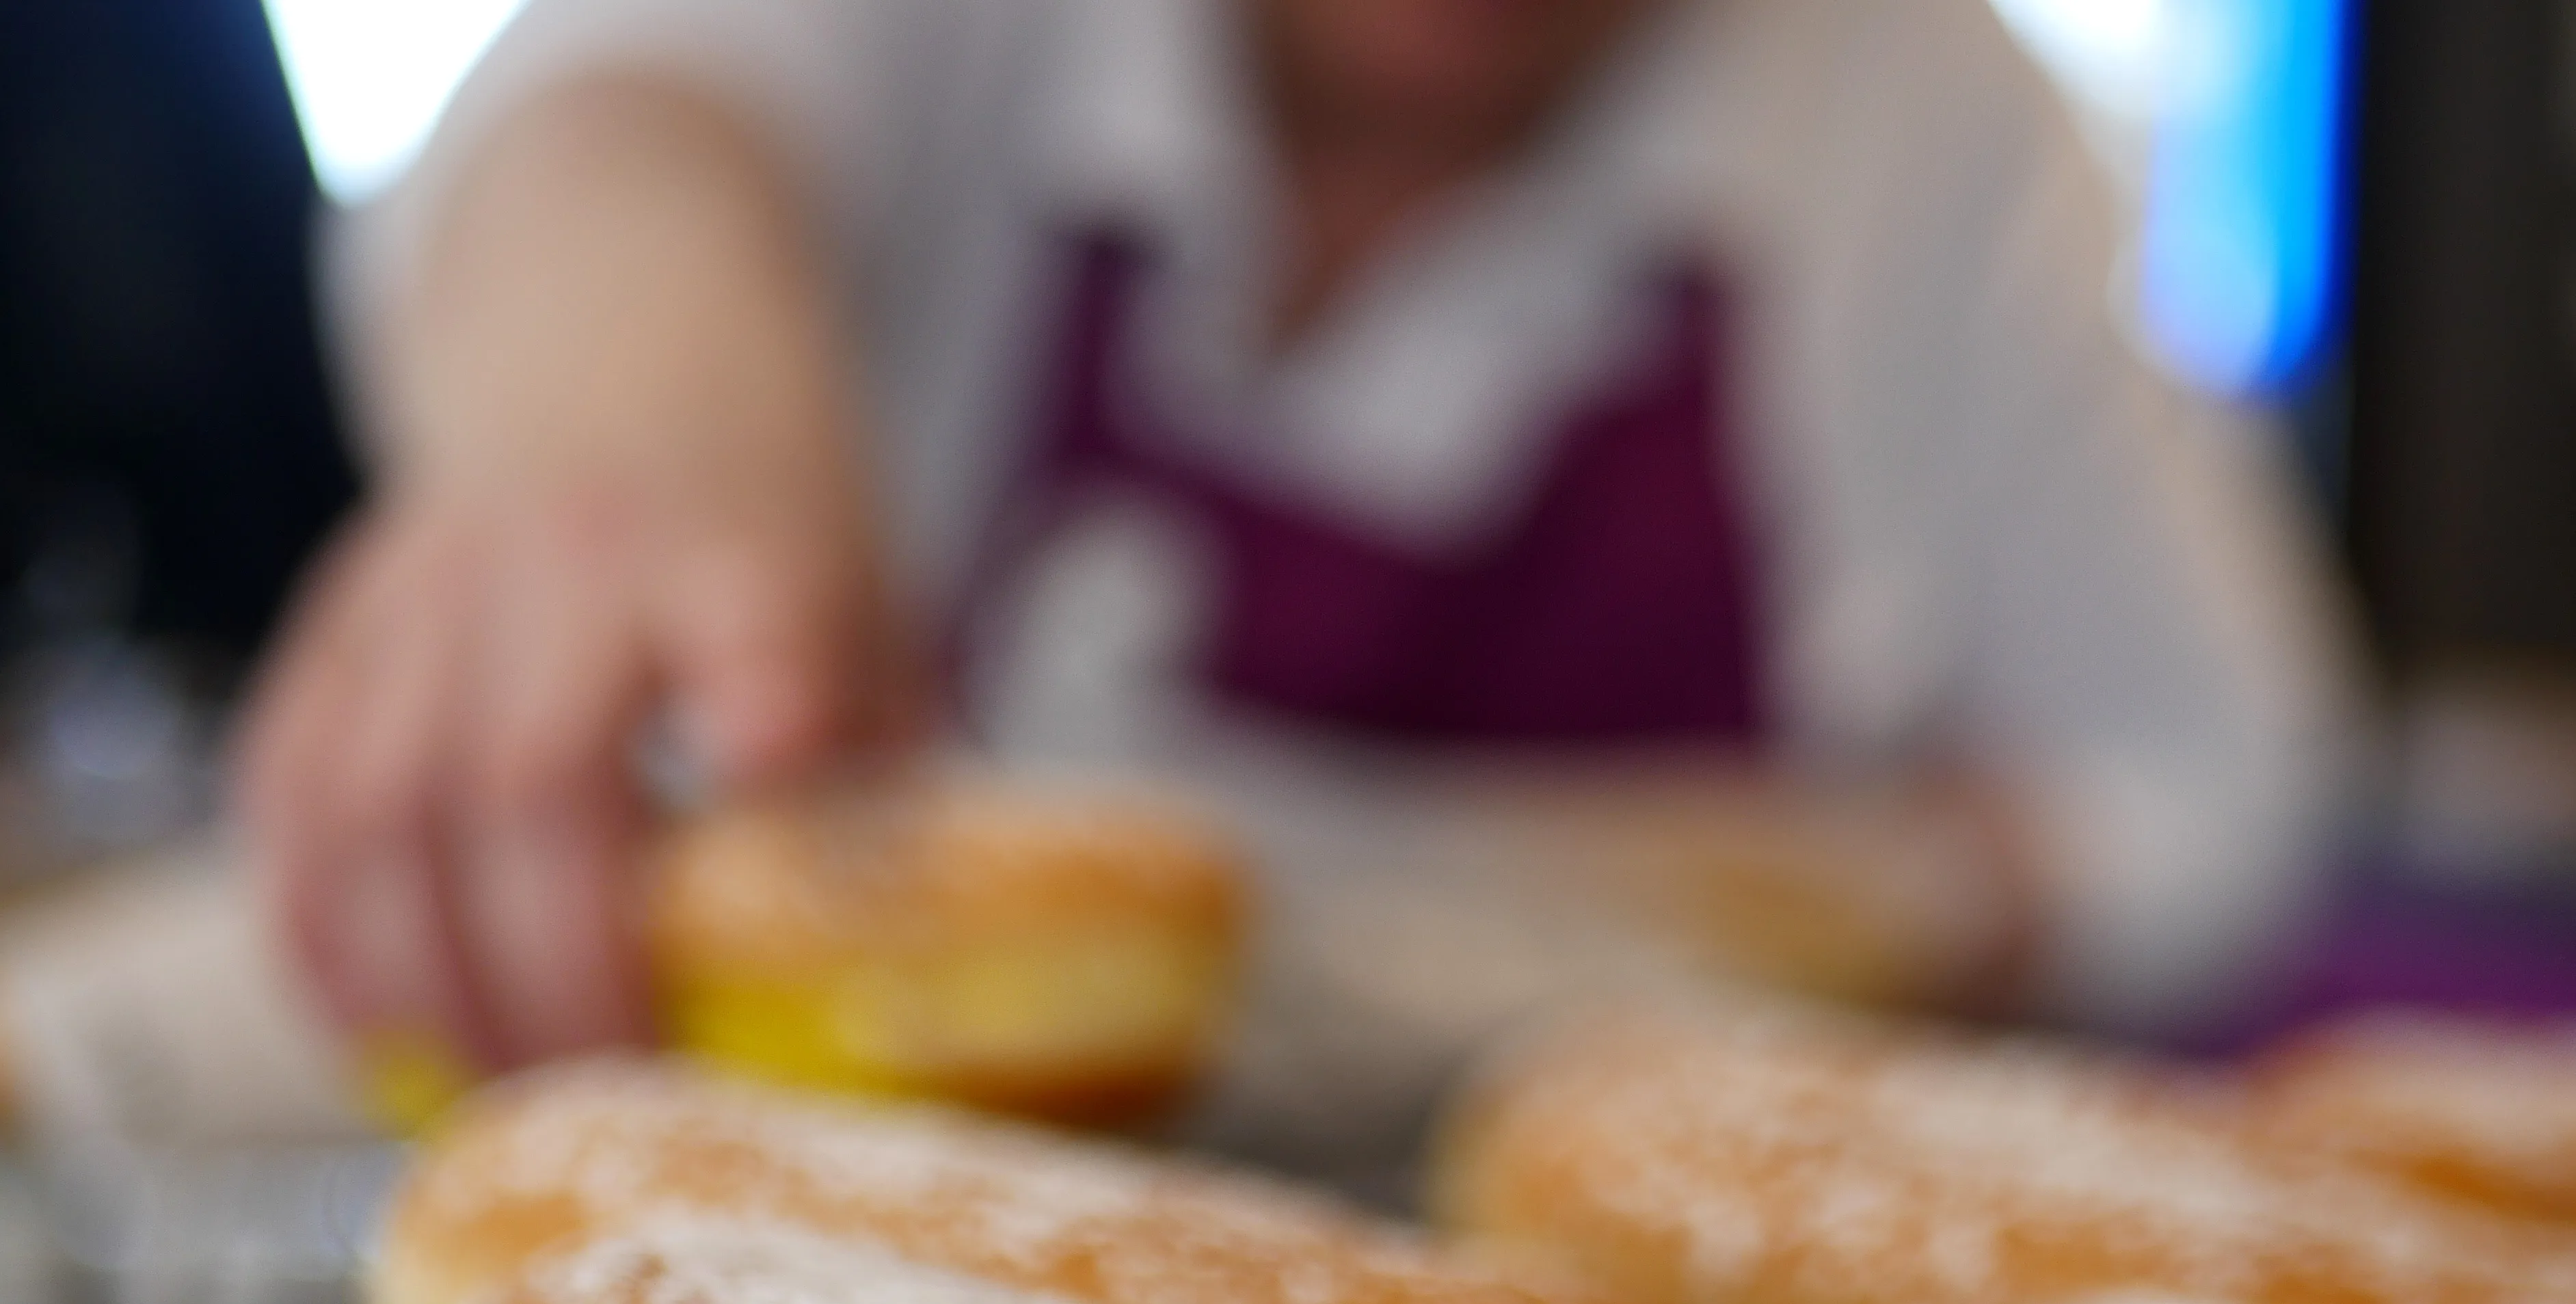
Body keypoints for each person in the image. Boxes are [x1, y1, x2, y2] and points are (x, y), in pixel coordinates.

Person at [237, 0, 2356, 1080]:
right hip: (901, 1252)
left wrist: (1834, 889)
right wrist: (634, 442)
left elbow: (2219, 784)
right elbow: (615, 120)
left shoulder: (1927, 120)